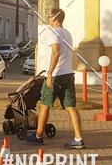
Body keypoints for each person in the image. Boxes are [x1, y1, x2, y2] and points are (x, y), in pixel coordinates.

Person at [27, 8, 84, 148]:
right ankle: (78, 139)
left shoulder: (53, 32)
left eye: (49, 17)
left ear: (55, 19)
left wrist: (50, 73)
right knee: (71, 106)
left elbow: (56, 53)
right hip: (68, 74)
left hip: (56, 75)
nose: (48, 19)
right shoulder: (68, 33)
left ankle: (38, 136)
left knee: (45, 105)